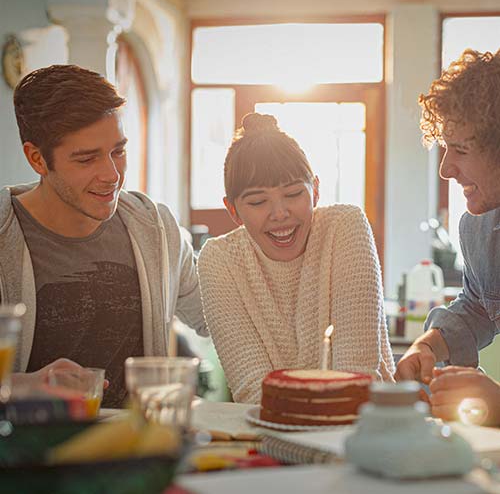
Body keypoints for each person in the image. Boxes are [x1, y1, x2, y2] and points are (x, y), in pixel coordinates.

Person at [0, 65, 207, 408]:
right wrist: (23, 387)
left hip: (138, 448)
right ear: (37, 159)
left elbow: (218, 313)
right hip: (29, 453)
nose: (112, 174)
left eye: (118, 151)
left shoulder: (156, 228)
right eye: (86, 159)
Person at [197, 113, 394, 404]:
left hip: (363, 427)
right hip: (270, 430)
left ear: (315, 190)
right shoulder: (219, 260)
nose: (279, 213)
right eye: (258, 202)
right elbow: (252, 389)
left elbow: (357, 376)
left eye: (292, 194)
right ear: (233, 210)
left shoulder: (344, 227)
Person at [395, 49, 500, 425]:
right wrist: (428, 344)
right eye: (444, 147)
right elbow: (478, 306)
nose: (445, 169)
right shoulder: (479, 228)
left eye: (461, 150)